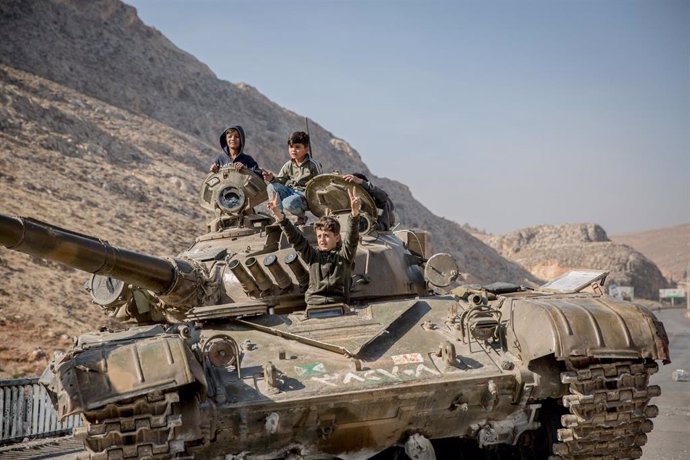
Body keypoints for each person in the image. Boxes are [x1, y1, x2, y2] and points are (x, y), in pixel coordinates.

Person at [268, 188, 361, 306]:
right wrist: (280, 216)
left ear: (337, 238)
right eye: (319, 236)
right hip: (314, 304)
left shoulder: (344, 256)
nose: (322, 239)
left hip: (338, 304)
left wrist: (354, 214)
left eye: (326, 235)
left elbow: (352, 239)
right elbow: (296, 240)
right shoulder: (313, 256)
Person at [262, 131, 321, 225]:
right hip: (292, 192)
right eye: (291, 147)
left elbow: (320, 183)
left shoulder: (313, 165)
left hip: (306, 196)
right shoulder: (288, 165)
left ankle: (301, 217)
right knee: (271, 187)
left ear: (306, 149)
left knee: (288, 203)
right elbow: (280, 182)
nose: (293, 150)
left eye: (297, 147)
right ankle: (279, 217)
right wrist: (271, 179)